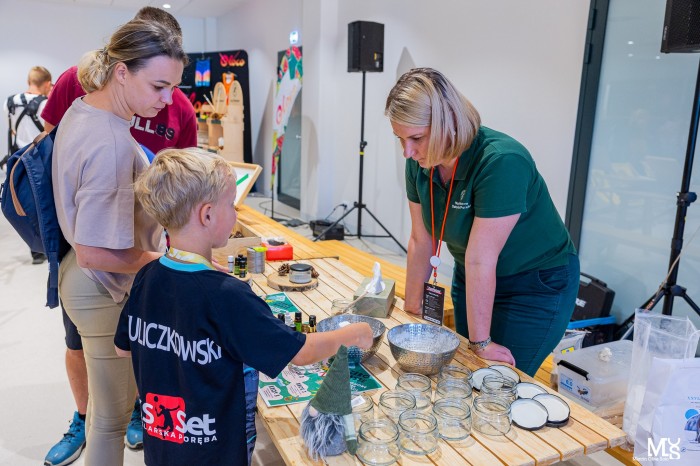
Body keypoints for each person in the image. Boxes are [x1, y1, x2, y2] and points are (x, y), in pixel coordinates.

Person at [114, 147, 373, 465]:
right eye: (231, 205)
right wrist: (353, 333)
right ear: (207, 215)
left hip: (162, 447)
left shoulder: (146, 276)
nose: (235, 214)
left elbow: (123, 349)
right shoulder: (226, 294)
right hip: (215, 454)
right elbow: (301, 352)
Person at [41, 7, 197, 465]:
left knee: (105, 415)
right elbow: (95, 252)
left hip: (82, 277)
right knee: (111, 422)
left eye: (173, 88)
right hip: (101, 287)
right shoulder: (109, 141)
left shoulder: (86, 108)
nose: (167, 100)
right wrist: (169, 263)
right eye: (158, 86)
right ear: (122, 72)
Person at [385, 68, 579, 376]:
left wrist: (482, 342)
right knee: (466, 370)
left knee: (500, 380)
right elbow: (421, 240)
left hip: (534, 285)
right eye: (400, 139)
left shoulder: (502, 161)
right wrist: (412, 308)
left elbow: (481, 258)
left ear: (449, 121)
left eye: (417, 138)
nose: (407, 152)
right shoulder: (421, 161)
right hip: (472, 275)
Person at [3, 66, 52, 265]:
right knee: (44, 204)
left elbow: (12, 130)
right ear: (47, 84)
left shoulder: (9, 102)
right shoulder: (45, 103)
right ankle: (46, 247)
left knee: (23, 205)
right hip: (38, 160)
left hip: (17, 160)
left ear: (29, 81)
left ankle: (35, 249)